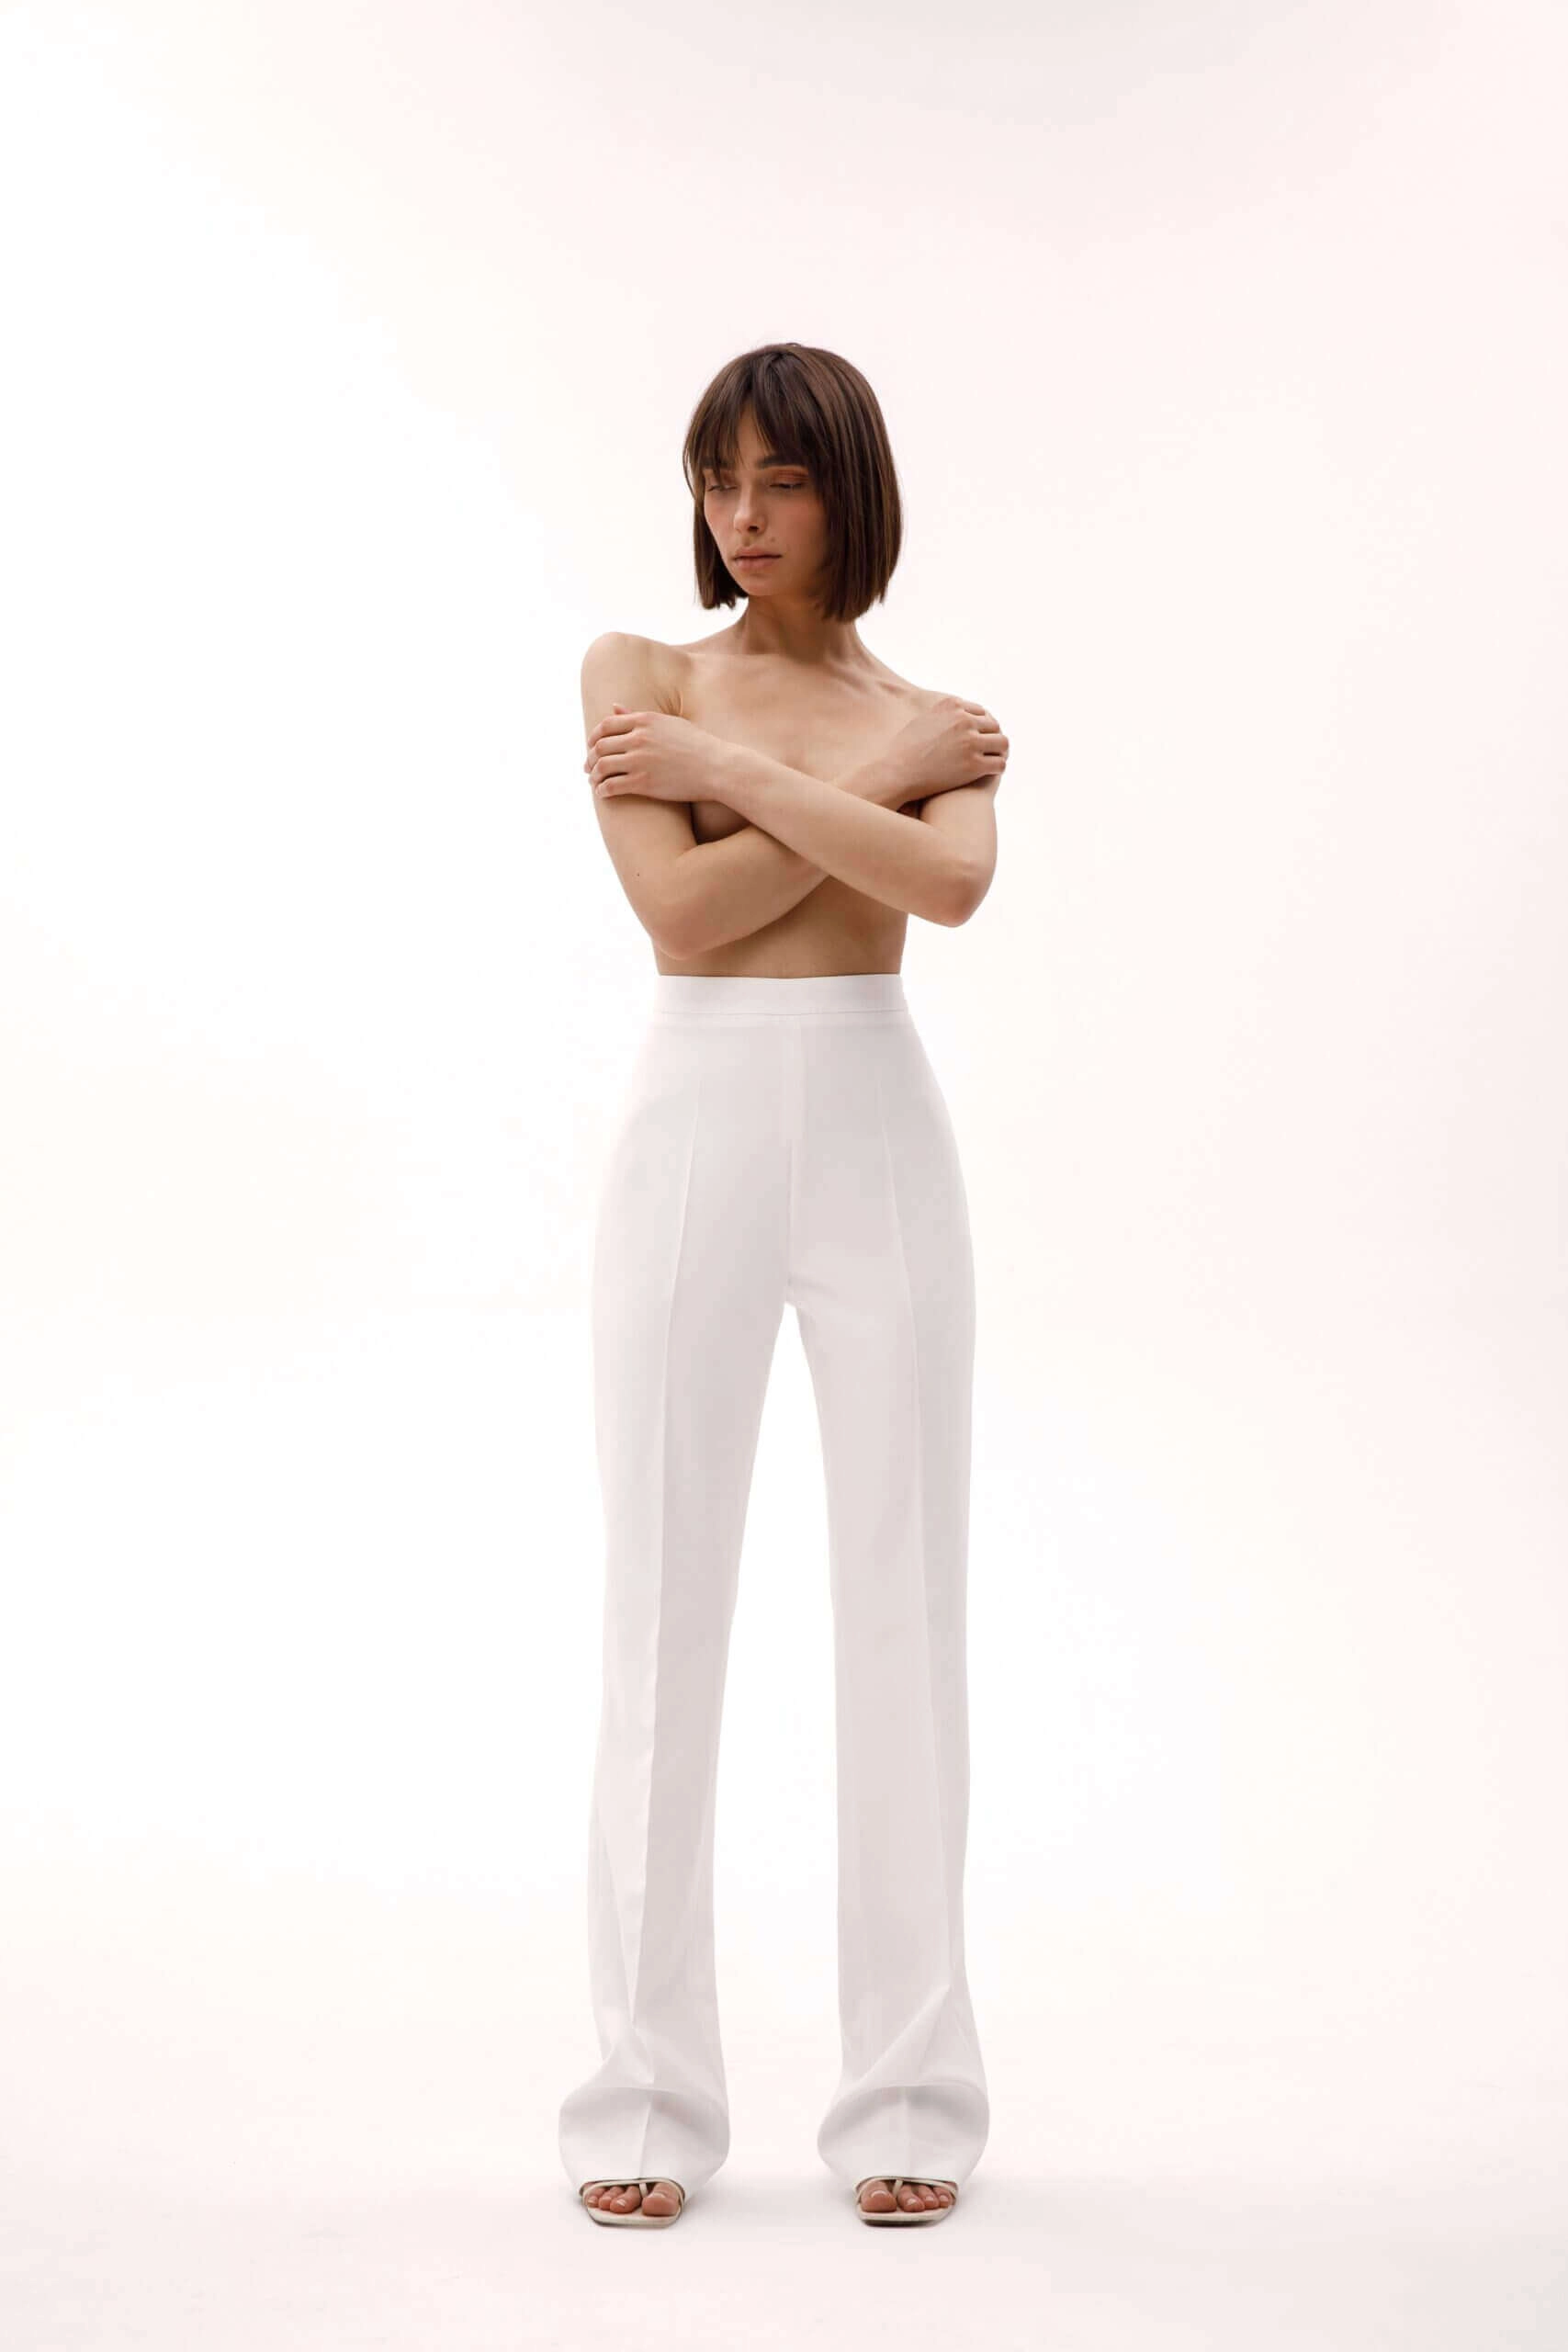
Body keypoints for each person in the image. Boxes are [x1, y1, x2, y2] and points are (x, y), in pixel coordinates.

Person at [558, 343, 1007, 2231]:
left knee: (905, 1601)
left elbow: (948, 893)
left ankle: (908, 2091)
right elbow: (681, 917)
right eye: (717, 479)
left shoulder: (932, 716)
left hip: (878, 1124)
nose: (742, 517)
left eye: (783, 481)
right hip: (696, 1125)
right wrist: (857, 792)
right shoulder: (637, 677)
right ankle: (643, 2102)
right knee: (663, 1601)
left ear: (850, 491)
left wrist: (749, 780)